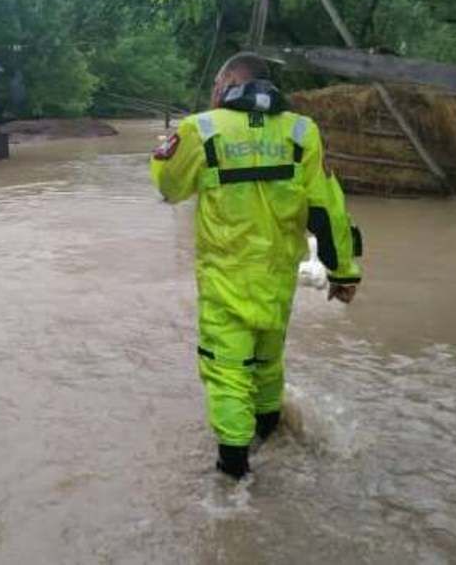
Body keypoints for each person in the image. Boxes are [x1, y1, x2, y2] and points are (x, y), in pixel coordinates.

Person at [150, 55, 362, 479]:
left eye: (216, 81)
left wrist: (163, 153)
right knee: (267, 363)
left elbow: (169, 189)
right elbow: (328, 209)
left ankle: (234, 478)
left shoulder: (201, 128)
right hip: (278, 280)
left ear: (230, 82)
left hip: (226, 281)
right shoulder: (303, 132)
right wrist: (343, 272)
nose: (213, 90)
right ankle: (268, 434)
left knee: (228, 372)